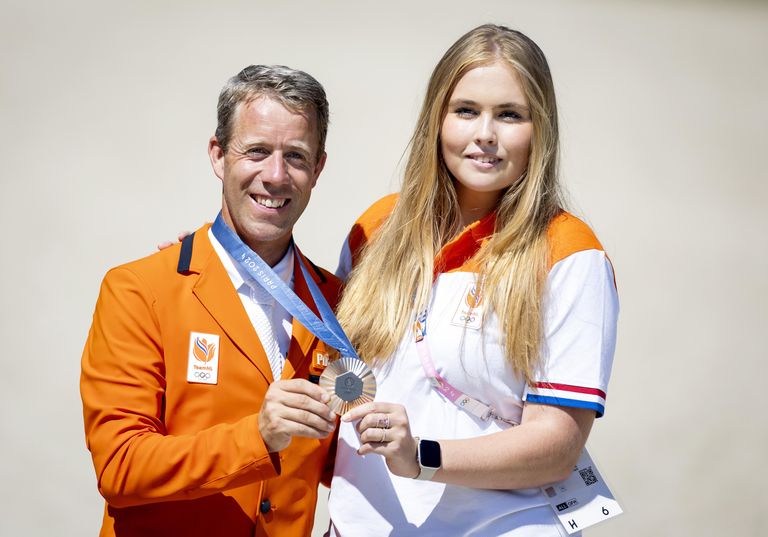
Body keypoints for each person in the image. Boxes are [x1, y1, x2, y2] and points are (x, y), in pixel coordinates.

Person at [328, 24, 619, 536]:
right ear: (437, 119)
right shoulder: (376, 228)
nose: (485, 133)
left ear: (540, 130)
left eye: (510, 115)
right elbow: (318, 358)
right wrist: (227, 256)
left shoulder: (569, 253)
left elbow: (556, 446)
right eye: (466, 110)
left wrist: (421, 456)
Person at [80, 65, 341, 537]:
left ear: (318, 168)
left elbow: (342, 462)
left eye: (296, 156)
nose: (275, 175)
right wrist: (256, 437)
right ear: (218, 155)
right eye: (257, 151)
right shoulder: (140, 290)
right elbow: (119, 466)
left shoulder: (335, 305)